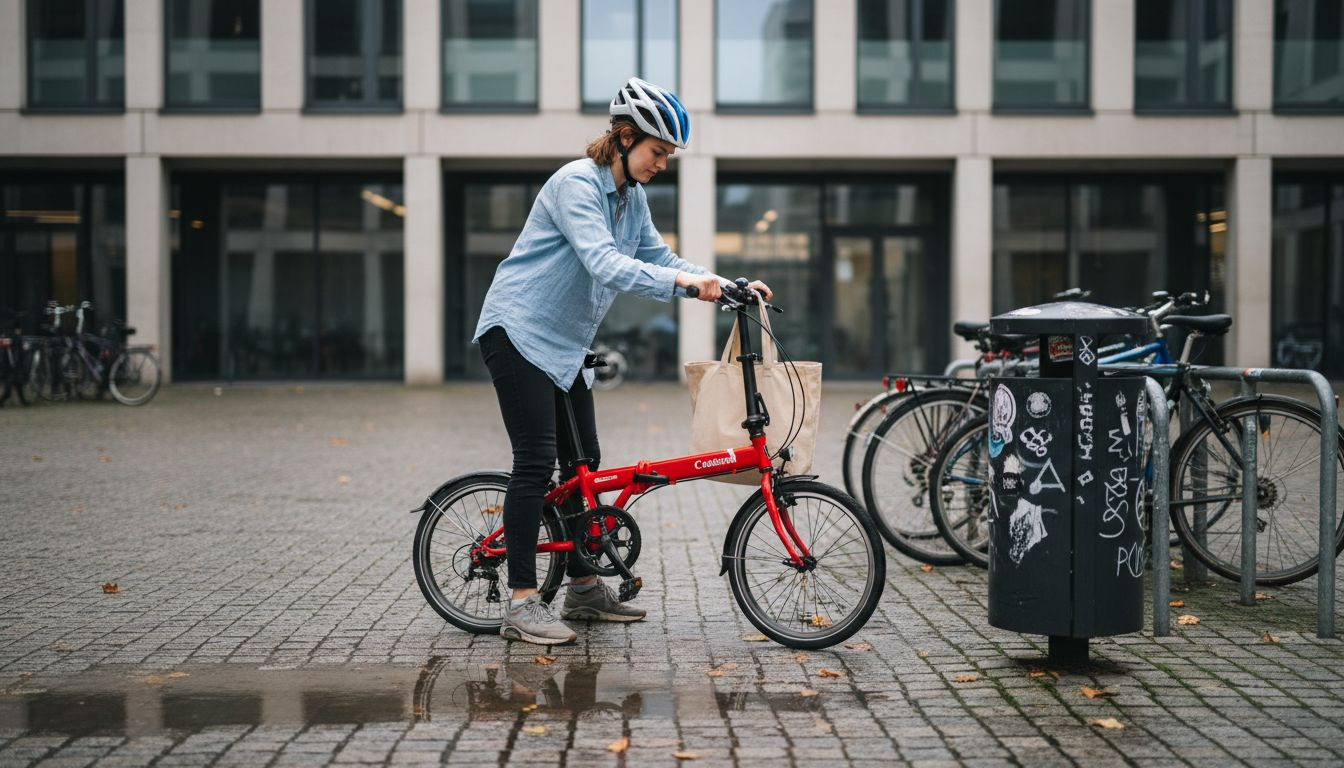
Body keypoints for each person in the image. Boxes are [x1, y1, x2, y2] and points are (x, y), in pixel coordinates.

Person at [472, 77, 771, 645]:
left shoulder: (632, 201)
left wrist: (720, 282)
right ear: (627, 137)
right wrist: (686, 283)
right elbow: (605, 263)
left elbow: (658, 256)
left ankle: (583, 589)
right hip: (518, 332)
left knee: (584, 465)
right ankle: (520, 602)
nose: (663, 164)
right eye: (658, 152)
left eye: (667, 156)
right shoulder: (576, 185)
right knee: (535, 462)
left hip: (564, 346)